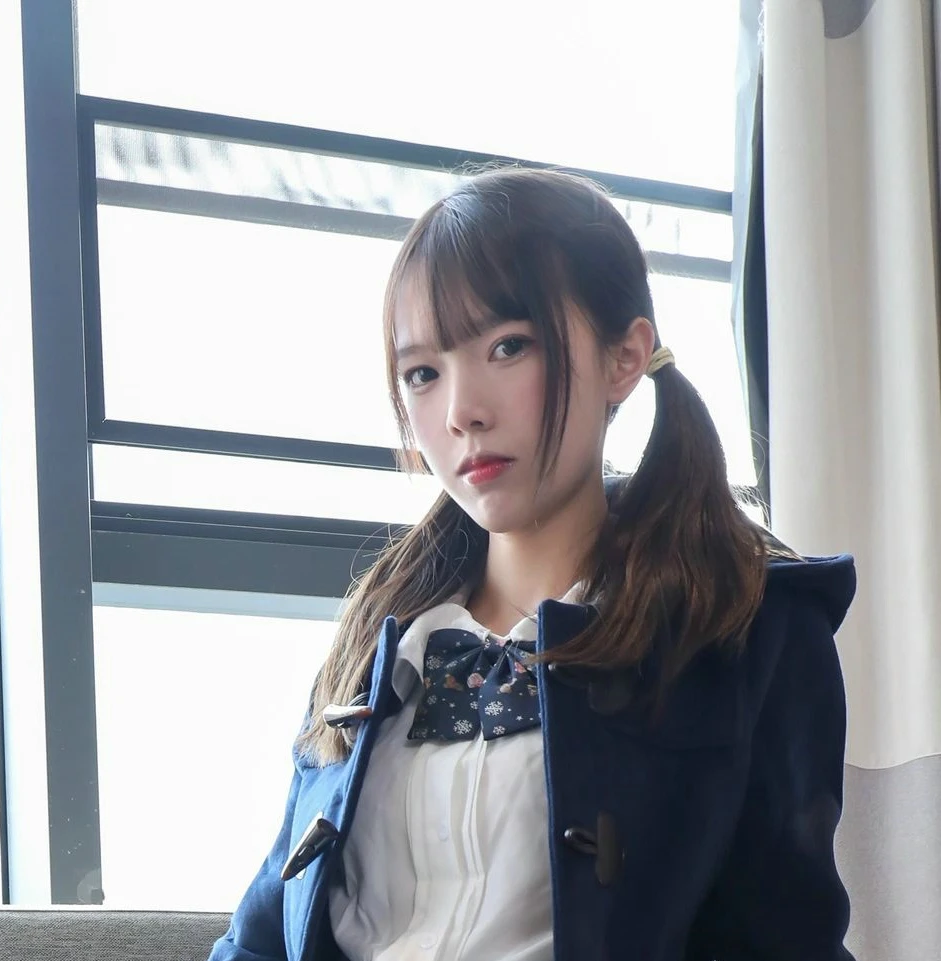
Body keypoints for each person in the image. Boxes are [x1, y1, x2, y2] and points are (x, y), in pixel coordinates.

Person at [207, 168, 856, 961]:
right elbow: (260, 937)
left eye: (507, 346)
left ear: (624, 356)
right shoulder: (377, 646)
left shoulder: (745, 631)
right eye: (422, 373)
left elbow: (783, 941)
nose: (461, 411)